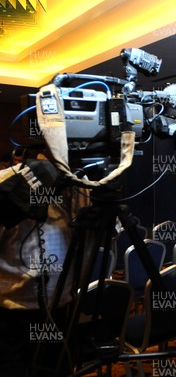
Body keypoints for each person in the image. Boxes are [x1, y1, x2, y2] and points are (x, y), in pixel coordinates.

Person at [0, 150, 90, 376]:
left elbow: (104, 236)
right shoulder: (6, 182)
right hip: (13, 317)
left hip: (62, 311)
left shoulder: (81, 183)